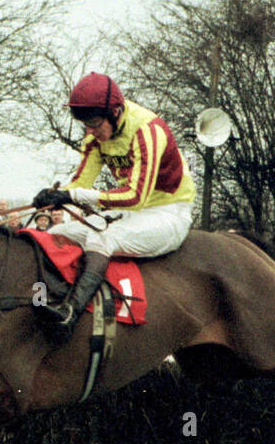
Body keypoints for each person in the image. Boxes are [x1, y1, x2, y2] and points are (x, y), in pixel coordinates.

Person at [31, 72, 195, 338]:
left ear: (115, 111)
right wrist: (54, 195)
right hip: (129, 214)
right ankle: (43, 302)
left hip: (168, 212)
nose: (91, 132)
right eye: (85, 125)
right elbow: (80, 182)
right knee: (54, 235)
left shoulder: (148, 131)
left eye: (95, 123)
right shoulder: (96, 137)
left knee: (103, 239)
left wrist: (74, 197)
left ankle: (69, 315)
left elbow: (135, 195)